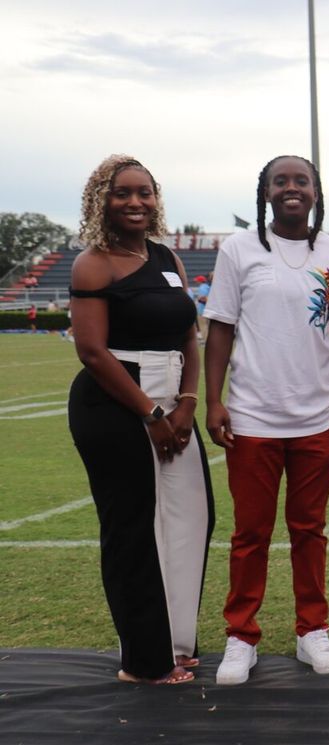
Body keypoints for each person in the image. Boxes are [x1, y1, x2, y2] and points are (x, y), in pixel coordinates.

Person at [205, 155, 329, 685]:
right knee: (250, 534)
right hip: (253, 416)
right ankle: (240, 636)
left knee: (309, 530)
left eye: (301, 180)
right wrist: (213, 400)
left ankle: (312, 630)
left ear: (316, 191)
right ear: (267, 192)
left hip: (316, 417)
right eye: (281, 181)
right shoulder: (239, 249)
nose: (291, 188)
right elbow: (221, 329)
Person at [67, 154, 213, 685]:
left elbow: (188, 337)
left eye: (144, 192)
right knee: (133, 532)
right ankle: (144, 662)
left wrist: (187, 403)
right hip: (115, 406)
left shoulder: (166, 255)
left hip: (173, 403)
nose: (135, 202)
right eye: (121, 192)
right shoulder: (94, 262)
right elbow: (92, 352)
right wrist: (150, 413)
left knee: (192, 518)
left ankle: (175, 641)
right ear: (101, 199)